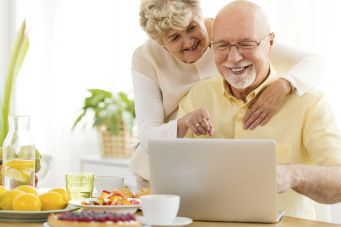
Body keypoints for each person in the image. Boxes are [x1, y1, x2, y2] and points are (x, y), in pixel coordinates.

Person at [177, 0, 341, 221]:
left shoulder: (309, 102)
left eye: (246, 44)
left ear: (270, 43)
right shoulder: (197, 98)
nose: (234, 58)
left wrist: (293, 175)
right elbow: (173, 172)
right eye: (223, 45)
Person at [130, 0, 324, 186]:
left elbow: (314, 62)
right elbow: (148, 135)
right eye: (174, 37)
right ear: (161, 43)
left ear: (200, 15)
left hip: (216, 163)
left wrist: (282, 85)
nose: (189, 41)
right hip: (160, 167)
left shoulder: (227, 36)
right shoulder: (145, 59)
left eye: (192, 27)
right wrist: (184, 123)